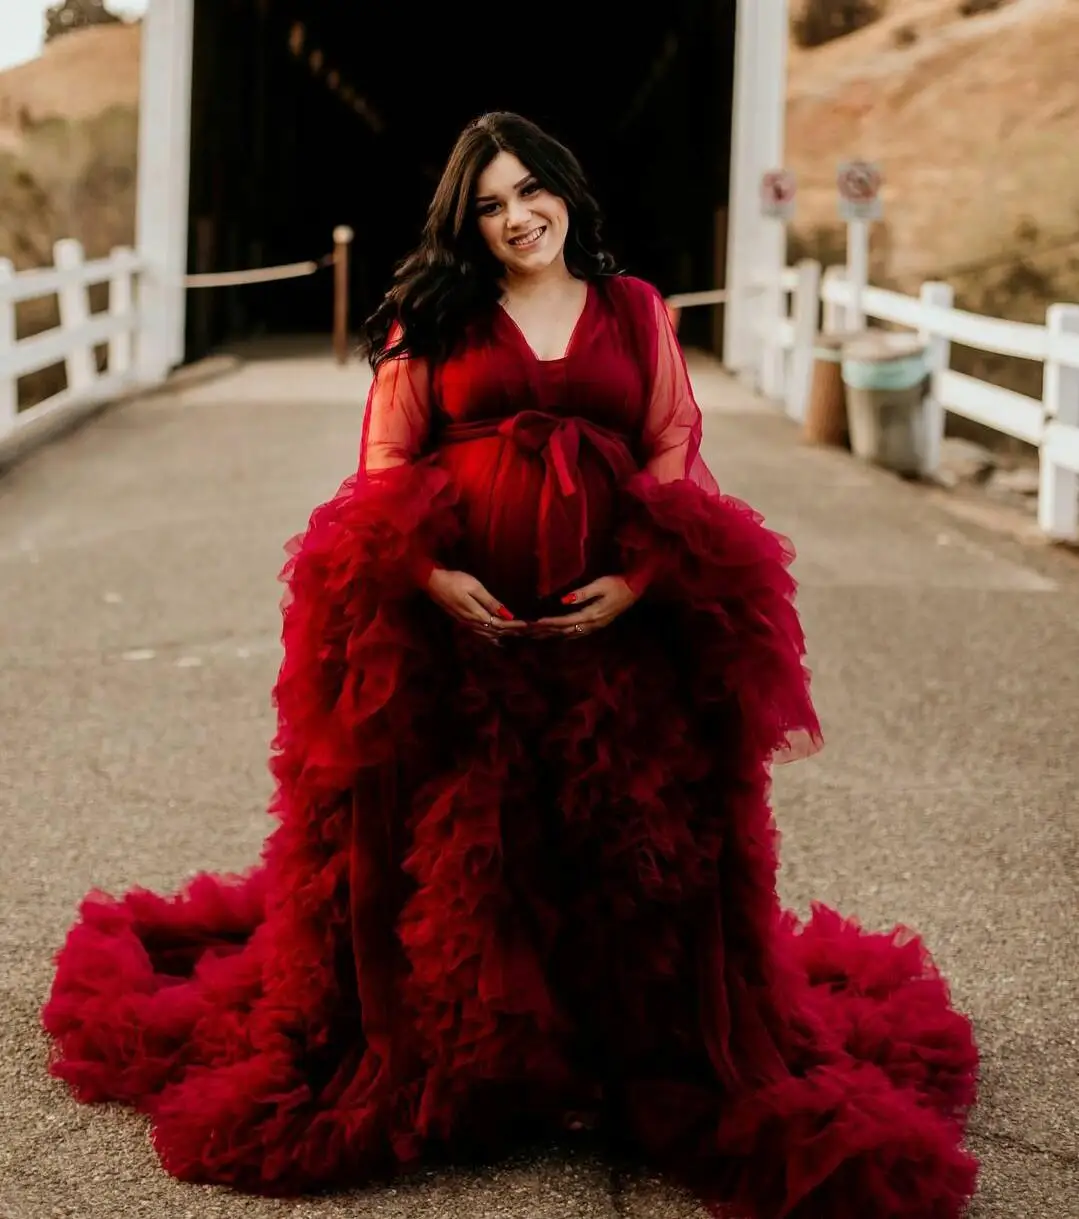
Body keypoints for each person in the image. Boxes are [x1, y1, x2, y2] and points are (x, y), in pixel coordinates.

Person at [42, 112, 979, 1218]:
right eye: (487, 204)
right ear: (464, 220)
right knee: (468, 852)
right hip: (460, 636)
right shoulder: (428, 315)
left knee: (612, 847)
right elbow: (385, 463)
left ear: (568, 193)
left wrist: (637, 577)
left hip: (612, 629)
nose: (514, 217)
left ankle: (610, 1059)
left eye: (529, 191)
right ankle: (480, 1071)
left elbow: (671, 443)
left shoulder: (633, 310)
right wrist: (434, 576)